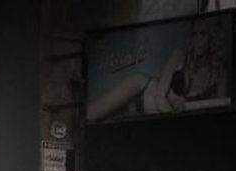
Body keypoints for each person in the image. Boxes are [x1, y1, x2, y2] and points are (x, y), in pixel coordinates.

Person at [87, 13, 228, 122]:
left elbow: (223, 110)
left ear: (213, 36)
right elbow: (160, 97)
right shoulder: (180, 55)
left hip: (147, 116)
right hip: (139, 88)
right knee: (88, 116)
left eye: (203, 34)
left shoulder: (219, 73)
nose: (197, 40)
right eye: (194, 34)